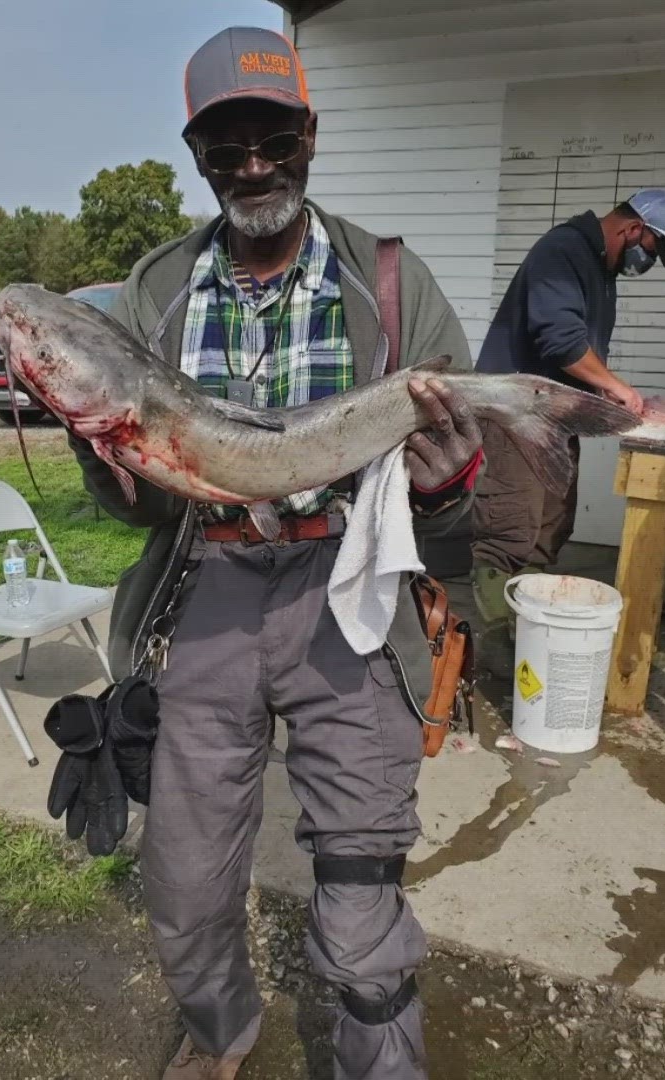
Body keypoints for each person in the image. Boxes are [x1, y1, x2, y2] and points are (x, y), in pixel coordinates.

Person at [65, 27, 482, 1080]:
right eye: (226, 146)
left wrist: (447, 489)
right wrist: (108, 465)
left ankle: (378, 1063)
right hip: (206, 590)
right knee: (188, 877)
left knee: (358, 883)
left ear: (311, 134)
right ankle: (221, 1034)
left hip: (345, 587)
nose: (253, 166)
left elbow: (449, 505)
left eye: (274, 138)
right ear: (196, 154)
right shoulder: (154, 290)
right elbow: (138, 515)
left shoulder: (389, 282)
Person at [467, 190, 665, 636]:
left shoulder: (600, 268)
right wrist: (617, 388)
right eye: (650, 250)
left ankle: (526, 628)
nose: (646, 263)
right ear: (633, 229)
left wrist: (610, 395)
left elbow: (578, 357)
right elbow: (561, 341)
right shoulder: (564, 250)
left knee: (551, 523)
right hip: (516, 414)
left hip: (553, 417)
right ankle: (492, 647)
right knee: (511, 526)